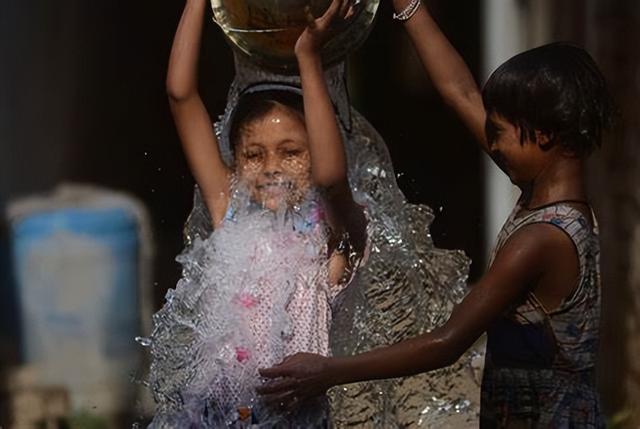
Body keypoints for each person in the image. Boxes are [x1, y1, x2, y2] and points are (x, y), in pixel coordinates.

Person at [258, 1, 613, 427]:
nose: (492, 144)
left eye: (498, 133)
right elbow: (460, 91)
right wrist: (406, 5)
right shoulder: (550, 196)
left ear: (541, 134)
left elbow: (447, 341)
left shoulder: (539, 240)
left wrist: (328, 372)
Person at [143, 0, 365, 426]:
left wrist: (308, 56)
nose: (270, 168)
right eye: (253, 154)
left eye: (291, 152)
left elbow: (333, 177)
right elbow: (180, 93)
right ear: (236, 160)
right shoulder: (230, 213)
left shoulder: (331, 242)